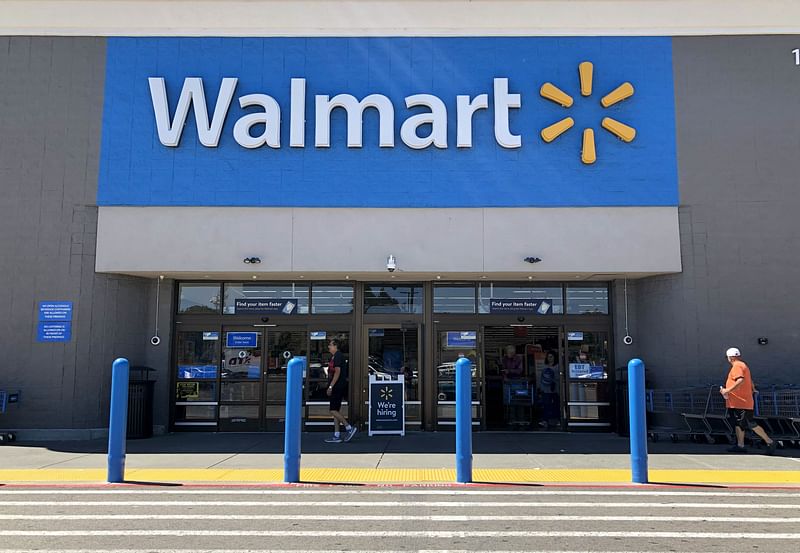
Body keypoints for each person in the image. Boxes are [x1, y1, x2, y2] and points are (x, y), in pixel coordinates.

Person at [719, 347, 776, 455]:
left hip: (742, 402)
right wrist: (753, 388)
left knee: (750, 423)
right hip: (737, 402)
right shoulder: (742, 365)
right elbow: (749, 380)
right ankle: (740, 445)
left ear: (730, 357)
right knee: (738, 424)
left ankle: (770, 441)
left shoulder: (737, 366)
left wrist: (727, 390)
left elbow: (740, 380)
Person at [324, 339, 357, 443]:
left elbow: (337, 372)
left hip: (337, 387)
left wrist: (331, 386)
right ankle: (336, 435)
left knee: (332, 410)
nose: (328, 347)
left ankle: (349, 428)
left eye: (330, 345)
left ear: (335, 346)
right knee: (336, 411)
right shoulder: (335, 356)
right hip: (337, 386)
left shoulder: (338, 355)